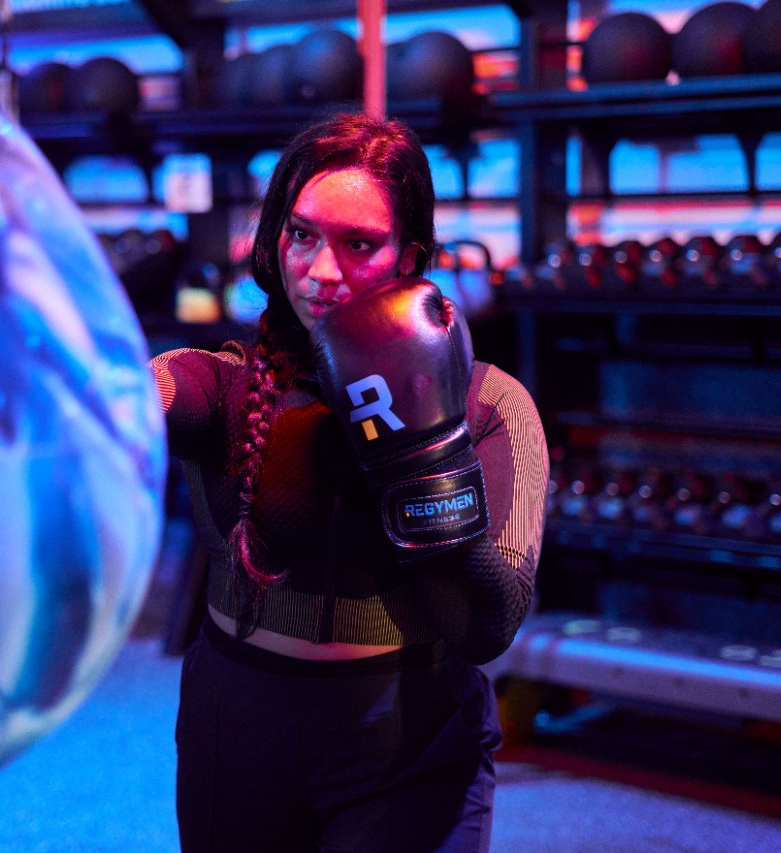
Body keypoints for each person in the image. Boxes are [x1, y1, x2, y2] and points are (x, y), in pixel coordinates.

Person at [150, 112, 549, 853]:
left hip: (410, 732)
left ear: (411, 256)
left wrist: (422, 448)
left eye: (358, 243)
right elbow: (135, 397)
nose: (321, 271)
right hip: (237, 723)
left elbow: (487, 627)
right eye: (302, 234)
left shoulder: (496, 407)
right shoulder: (226, 382)